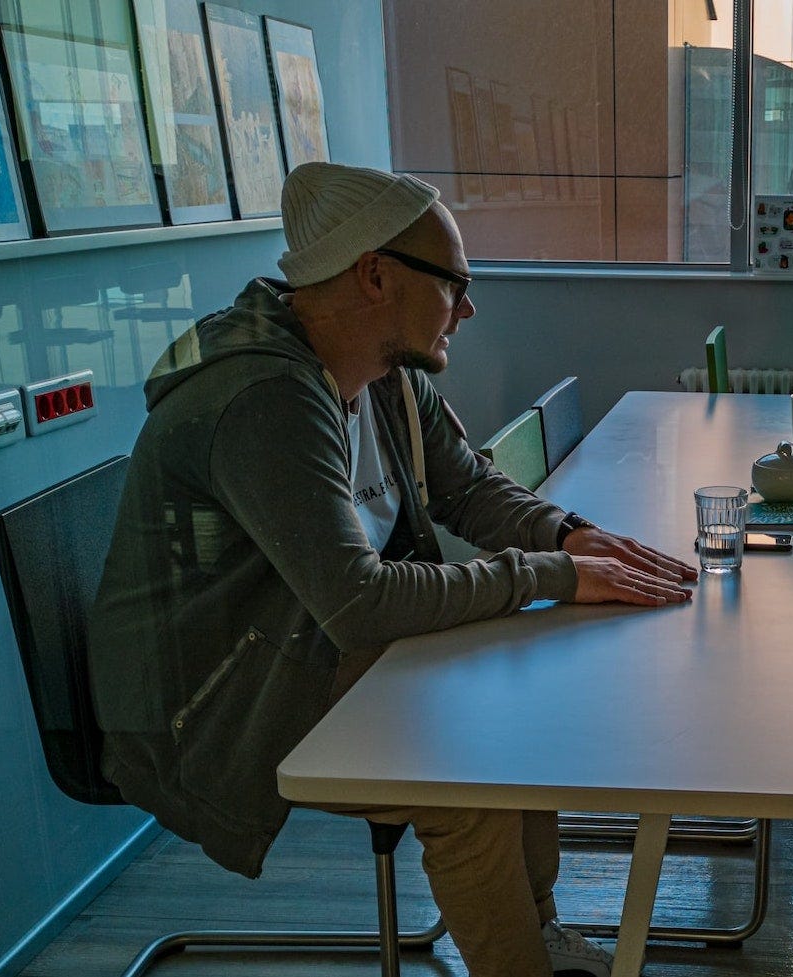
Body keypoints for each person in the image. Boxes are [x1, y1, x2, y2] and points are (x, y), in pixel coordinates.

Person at [89, 161, 698, 977]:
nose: (469, 307)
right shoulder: (263, 399)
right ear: (375, 275)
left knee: (523, 698)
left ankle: (535, 930)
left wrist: (570, 535)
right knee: (463, 779)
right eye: (454, 282)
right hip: (223, 697)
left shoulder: (383, 372)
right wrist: (547, 575)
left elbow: (468, 486)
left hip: (300, 647)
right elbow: (360, 602)